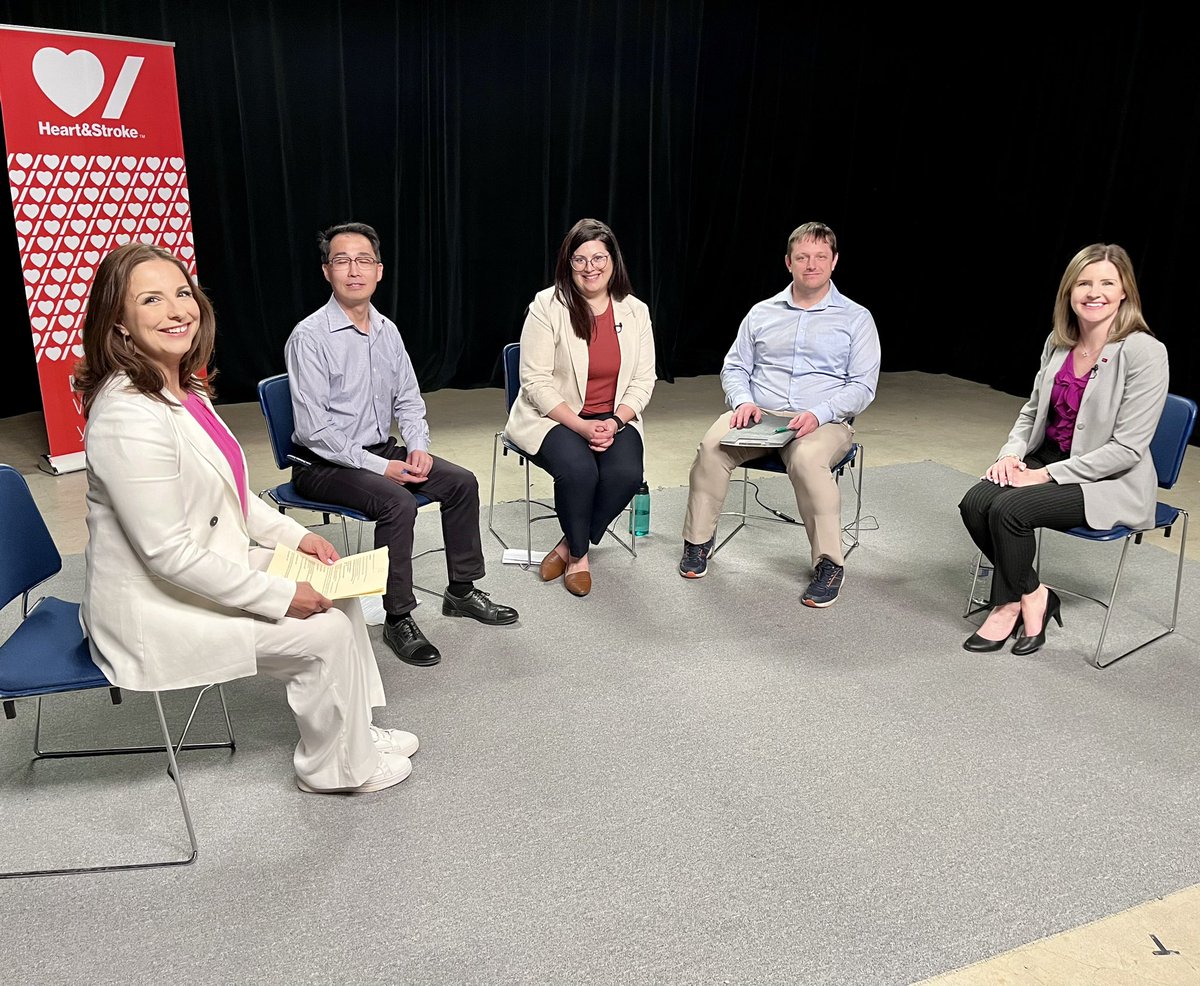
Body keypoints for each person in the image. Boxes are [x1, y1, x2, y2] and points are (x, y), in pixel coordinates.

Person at [75, 243, 416, 795]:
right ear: (119, 323)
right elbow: (167, 555)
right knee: (323, 628)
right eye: (152, 299)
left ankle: (354, 731)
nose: (176, 310)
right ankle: (335, 770)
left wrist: (298, 536)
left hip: (204, 567)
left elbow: (236, 495)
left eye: (182, 293)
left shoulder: (184, 389)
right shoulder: (125, 415)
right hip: (153, 605)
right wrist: (280, 597)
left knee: (339, 590)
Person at [286, 222, 518, 667]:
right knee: (398, 502)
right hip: (321, 463)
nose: (354, 270)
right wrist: (380, 468)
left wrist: (417, 446)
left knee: (460, 482)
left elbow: (409, 400)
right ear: (326, 271)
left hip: (376, 449)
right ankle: (398, 617)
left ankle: (462, 591)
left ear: (379, 271)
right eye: (342, 260)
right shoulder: (309, 336)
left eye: (363, 260)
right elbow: (314, 430)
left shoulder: (387, 331)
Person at [959, 243, 1169, 655]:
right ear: (1069, 291)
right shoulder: (1058, 344)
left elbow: (1127, 449)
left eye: (1107, 283)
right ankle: (1033, 594)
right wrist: (1010, 454)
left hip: (1108, 478)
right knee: (975, 502)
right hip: (1050, 458)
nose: (1094, 292)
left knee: (1009, 510)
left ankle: (1005, 605)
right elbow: (1031, 412)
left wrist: (1042, 475)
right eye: (1084, 283)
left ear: (1125, 290)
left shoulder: (1145, 351)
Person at [678, 221, 881, 607]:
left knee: (806, 460)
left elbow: (862, 385)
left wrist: (819, 413)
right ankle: (697, 542)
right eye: (802, 257)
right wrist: (742, 401)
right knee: (712, 447)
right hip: (760, 412)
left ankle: (828, 563)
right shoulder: (761, 313)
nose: (811, 265)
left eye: (821, 257)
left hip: (822, 420)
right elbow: (735, 367)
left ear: (834, 262)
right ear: (788, 262)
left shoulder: (856, 319)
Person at [503, 218, 657, 597]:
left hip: (614, 418)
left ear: (613, 260)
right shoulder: (546, 305)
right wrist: (582, 426)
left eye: (599, 258)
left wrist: (617, 421)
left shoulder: (635, 311)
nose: (591, 268)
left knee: (625, 476)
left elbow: (644, 380)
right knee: (579, 471)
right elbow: (535, 381)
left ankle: (567, 544)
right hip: (555, 416)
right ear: (567, 264)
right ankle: (579, 556)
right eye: (580, 260)